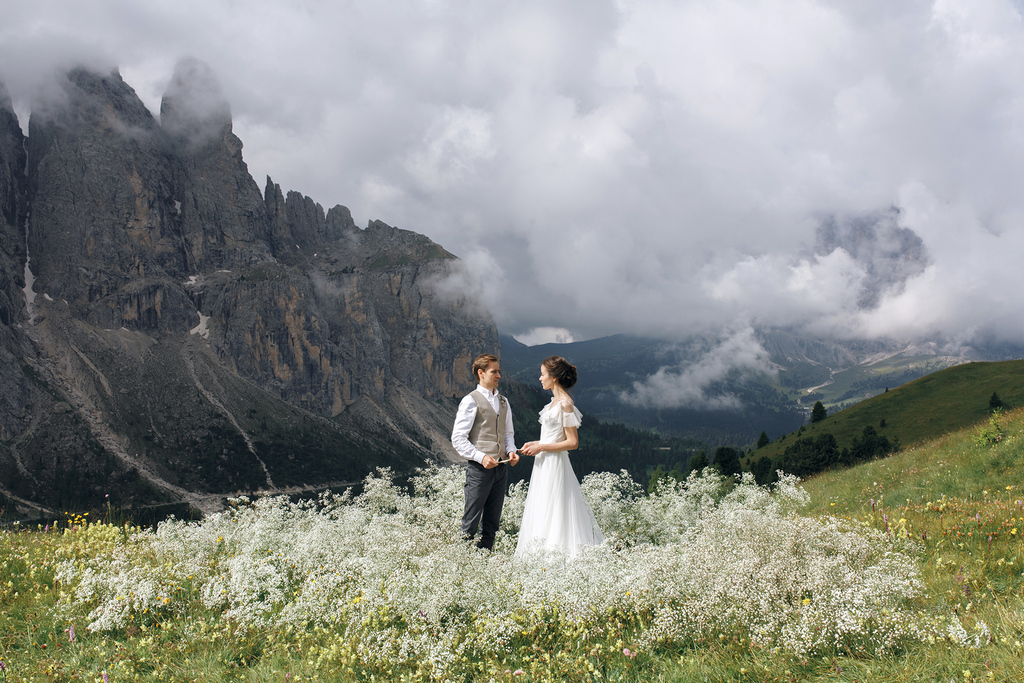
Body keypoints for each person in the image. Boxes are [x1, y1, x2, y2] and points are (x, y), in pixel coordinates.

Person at [515, 356, 604, 558]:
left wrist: (542, 447)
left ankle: (556, 558)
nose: (539, 378)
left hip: (554, 463)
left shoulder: (565, 404)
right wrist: (536, 444)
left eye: (543, 374)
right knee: (542, 508)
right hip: (544, 462)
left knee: (555, 510)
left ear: (553, 377)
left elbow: (573, 442)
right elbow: (551, 436)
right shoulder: (554, 402)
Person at [451, 353, 520, 549]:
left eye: (499, 371)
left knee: (492, 523)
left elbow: (508, 434)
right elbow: (458, 439)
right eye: (494, 372)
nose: (499, 375)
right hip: (479, 471)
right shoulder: (470, 401)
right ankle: (461, 564)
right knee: (470, 522)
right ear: (481, 373)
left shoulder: (504, 401)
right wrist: (481, 458)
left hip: (500, 469)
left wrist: (511, 452)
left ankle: (483, 563)